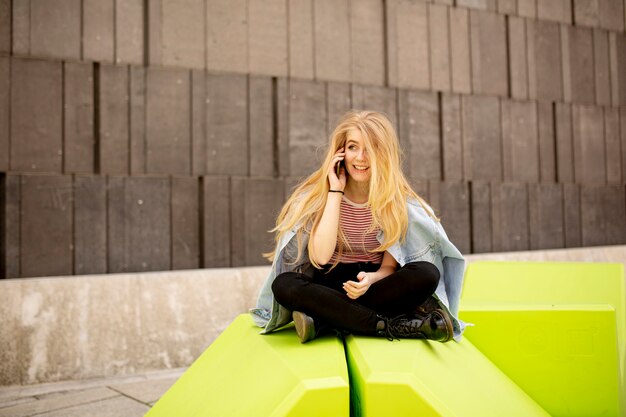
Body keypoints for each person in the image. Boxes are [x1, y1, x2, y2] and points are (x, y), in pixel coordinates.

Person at [250, 110, 466, 343]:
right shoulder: (320, 197)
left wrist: (371, 279)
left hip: (372, 286)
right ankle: (388, 325)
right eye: (353, 147)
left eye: (370, 149)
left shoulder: (395, 202)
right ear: (341, 151)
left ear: (384, 154)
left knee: (426, 273)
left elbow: (388, 268)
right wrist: (335, 191)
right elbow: (320, 258)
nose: (360, 157)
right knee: (284, 285)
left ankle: (324, 320)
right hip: (329, 286)